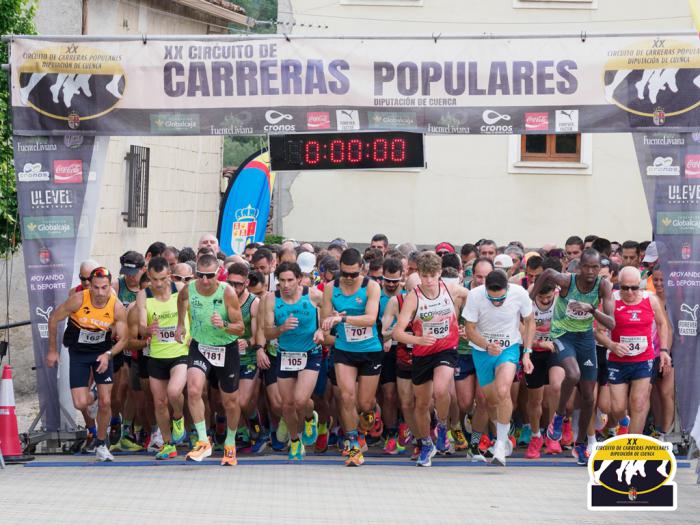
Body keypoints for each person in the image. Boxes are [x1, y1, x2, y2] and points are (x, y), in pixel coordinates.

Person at [531, 248, 615, 465]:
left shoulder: (603, 285)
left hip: (585, 338)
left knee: (589, 397)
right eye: (586, 266)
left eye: (595, 267)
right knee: (573, 373)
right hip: (561, 334)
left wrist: (592, 310)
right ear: (579, 267)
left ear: (599, 269)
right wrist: (529, 300)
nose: (590, 271)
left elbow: (611, 323)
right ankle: (558, 418)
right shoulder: (568, 281)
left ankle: (580, 446)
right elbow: (548, 272)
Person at [392, 251, 468, 467]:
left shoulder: (450, 289)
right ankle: (426, 443)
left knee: (442, 389)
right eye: (424, 276)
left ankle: (442, 427)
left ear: (439, 274)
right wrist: (417, 339)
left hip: (446, 349)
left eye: (432, 276)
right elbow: (398, 333)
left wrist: (468, 327)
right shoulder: (413, 297)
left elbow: (476, 300)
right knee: (422, 403)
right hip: (422, 352)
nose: (428, 281)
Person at [47, 267, 128, 461]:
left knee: (106, 401)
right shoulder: (78, 299)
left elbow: (124, 339)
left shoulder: (116, 307)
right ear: (89, 285)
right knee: (80, 403)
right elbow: (53, 319)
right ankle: (94, 393)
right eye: (96, 287)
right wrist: (52, 350)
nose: (100, 293)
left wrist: (108, 354)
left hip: (102, 353)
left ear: (110, 286)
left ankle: (101, 443)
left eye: (104, 288)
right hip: (79, 353)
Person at [176, 253, 245, 465]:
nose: (204, 281)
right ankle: (203, 441)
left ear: (218, 274)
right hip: (200, 345)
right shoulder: (190, 288)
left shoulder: (228, 292)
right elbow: (181, 300)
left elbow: (240, 328)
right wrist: (180, 324)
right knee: (194, 390)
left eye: (209, 276)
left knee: (230, 401)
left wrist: (223, 325)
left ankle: (230, 443)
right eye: (200, 275)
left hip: (226, 347)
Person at [463, 270, 534, 466]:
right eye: (492, 299)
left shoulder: (519, 293)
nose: (497, 303)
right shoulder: (475, 295)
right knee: (491, 400)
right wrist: (486, 345)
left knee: (503, 391)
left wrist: (527, 352)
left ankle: (501, 444)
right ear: (485, 290)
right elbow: (469, 329)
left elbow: (529, 322)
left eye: (501, 299)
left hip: (508, 348)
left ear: (507, 289)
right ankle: (504, 428)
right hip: (482, 351)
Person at [321, 248, 382, 467]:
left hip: (369, 349)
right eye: (344, 274)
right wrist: (325, 326)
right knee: (346, 396)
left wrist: (343, 320)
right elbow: (326, 318)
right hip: (344, 348)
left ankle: (370, 414)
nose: (348, 279)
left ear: (361, 270)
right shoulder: (331, 288)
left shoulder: (371, 287)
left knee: (364, 403)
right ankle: (353, 444)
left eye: (353, 275)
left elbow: (370, 319)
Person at [263, 262, 325, 461]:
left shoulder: (313, 294)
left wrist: (322, 330)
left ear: (299, 279)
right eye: (281, 280)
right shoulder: (271, 299)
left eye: (290, 280)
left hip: (310, 353)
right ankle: (295, 441)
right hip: (285, 355)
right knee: (287, 405)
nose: (286, 285)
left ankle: (309, 417)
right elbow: (266, 332)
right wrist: (281, 328)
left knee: (300, 400)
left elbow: (329, 313)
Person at [597, 267, 670, 435]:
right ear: (618, 285)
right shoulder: (611, 301)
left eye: (634, 288)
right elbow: (598, 332)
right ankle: (622, 421)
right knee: (617, 408)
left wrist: (664, 350)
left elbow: (662, 323)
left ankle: (633, 443)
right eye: (625, 287)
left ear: (640, 285)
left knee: (638, 403)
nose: (629, 292)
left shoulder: (650, 300)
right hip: (617, 360)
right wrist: (612, 345)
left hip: (643, 359)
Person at [135, 256, 188, 459]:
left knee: (174, 393)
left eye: (162, 279)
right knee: (159, 402)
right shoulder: (143, 295)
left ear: (170, 275)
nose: (158, 284)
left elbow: (192, 315)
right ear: (149, 275)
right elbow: (141, 325)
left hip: (180, 351)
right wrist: (147, 329)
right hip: (156, 354)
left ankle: (179, 417)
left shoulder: (181, 289)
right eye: (154, 279)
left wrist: (190, 335)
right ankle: (167, 444)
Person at [226, 262, 266, 453]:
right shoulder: (223, 299)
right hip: (226, 356)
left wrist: (250, 343)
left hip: (247, 357)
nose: (234, 288)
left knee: (243, 401)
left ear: (246, 282)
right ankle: (241, 433)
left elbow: (260, 333)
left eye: (238, 284)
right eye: (230, 283)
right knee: (227, 401)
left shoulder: (253, 303)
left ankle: (258, 430)